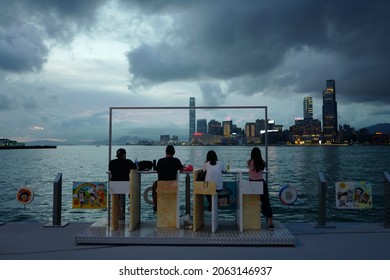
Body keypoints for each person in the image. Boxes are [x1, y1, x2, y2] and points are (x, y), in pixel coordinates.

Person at [247, 147, 274, 231]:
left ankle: (250, 220)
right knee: (266, 201)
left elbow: (250, 167)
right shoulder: (263, 163)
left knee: (252, 202)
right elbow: (263, 166)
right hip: (261, 183)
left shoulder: (249, 162)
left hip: (252, 184)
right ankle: (270, 223)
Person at [152, 145, 184, 213]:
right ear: (174, 152)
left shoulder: (160, 161)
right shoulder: (176, 160)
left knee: (154, 186)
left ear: (165, 152)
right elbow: (181, 169)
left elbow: (157, 171)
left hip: (162, 186)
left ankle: (156, 205)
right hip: (172, 185)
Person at [109, 148, 137, 219]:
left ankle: (116, 214)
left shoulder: (112, 162)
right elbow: (136, 167)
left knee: (116, 200)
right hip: (125, 185)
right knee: (131, 192)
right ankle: (126, 211)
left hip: (114, 185)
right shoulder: (128, 162)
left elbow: (110, 171)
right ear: (124, 155)